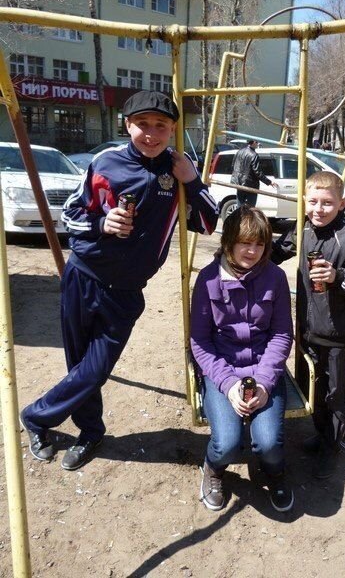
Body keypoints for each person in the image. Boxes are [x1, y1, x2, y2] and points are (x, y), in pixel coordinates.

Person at [20, 90, 219, 471]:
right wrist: (103, 222)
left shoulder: (178, 171)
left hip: (126, 292)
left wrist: (193, 182)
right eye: (142, 124)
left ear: (172, 130)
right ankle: (91, 432)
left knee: (95, 369)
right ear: (127, 125)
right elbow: (70, 214)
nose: (151, 133)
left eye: (161, 125)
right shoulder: (105, 162)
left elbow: (208, 224)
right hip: (83, 277)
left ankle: (36, 416)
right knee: (79, 366)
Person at [271, 171, 345, 479]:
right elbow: (277, 252)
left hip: (339, 334)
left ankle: (333, 446)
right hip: (307, 329)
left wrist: (338, 277)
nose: (319, 209)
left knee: (336, 394)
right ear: (304, 201)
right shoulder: (303, 226)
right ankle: (322, 434)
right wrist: (241, 259)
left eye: (327, 203)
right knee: (313, 387)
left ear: (342, 203)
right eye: (313, 202)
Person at [191, 206, 294, 512]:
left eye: (260, 244)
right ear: (229, 243)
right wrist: (227, 384)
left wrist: (264, 383)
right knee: (227, 443)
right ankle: (213, 468)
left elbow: (281, 335)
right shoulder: (208, 280)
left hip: (263, 368)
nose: (252, 251)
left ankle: (274, 471)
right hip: (222, 369)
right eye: (245, 243)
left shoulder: (275, 277)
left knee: (268, 444)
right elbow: (200, 342)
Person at [230, 139, 277, 208]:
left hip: (239, 183)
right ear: (253, 142)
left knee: (240, 207)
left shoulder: (239, 152)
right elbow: (257, 172)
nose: (258, 144)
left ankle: (240, 215)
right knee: (250, 208)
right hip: (250, 185)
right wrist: (269, 182)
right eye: (257, 142)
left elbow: (233, 166)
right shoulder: (254, 155)